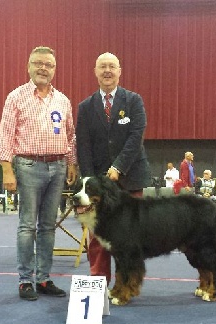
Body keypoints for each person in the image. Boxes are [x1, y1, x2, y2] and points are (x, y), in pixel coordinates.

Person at [0, 46, 77, 301]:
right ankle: (25, 280)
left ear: (55, 69)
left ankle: (43, 278)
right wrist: (7, 170)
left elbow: (70, 135)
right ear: (28, 66)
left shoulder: (62, 100)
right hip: (28, 166)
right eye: (38, 63)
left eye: (49, 65)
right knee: (27, 226)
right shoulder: (16, 97)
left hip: (58, 166)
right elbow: (6, 135)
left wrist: (71, 163)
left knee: (48, 227)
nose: (43, 68)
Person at [77, 51, 151, 287]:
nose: (107, 71)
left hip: (130, 179)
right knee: (98, 236)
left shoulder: (134, 101)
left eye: (112, 66)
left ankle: (127, 283)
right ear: (95, 72)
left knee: (130, 237)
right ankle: (98, 282)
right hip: (97, 185)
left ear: (120, 71)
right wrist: (89, 180)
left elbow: (136, 137)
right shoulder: (85, 107)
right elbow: (84, 145)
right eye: (102, 67)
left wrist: (118, 167)